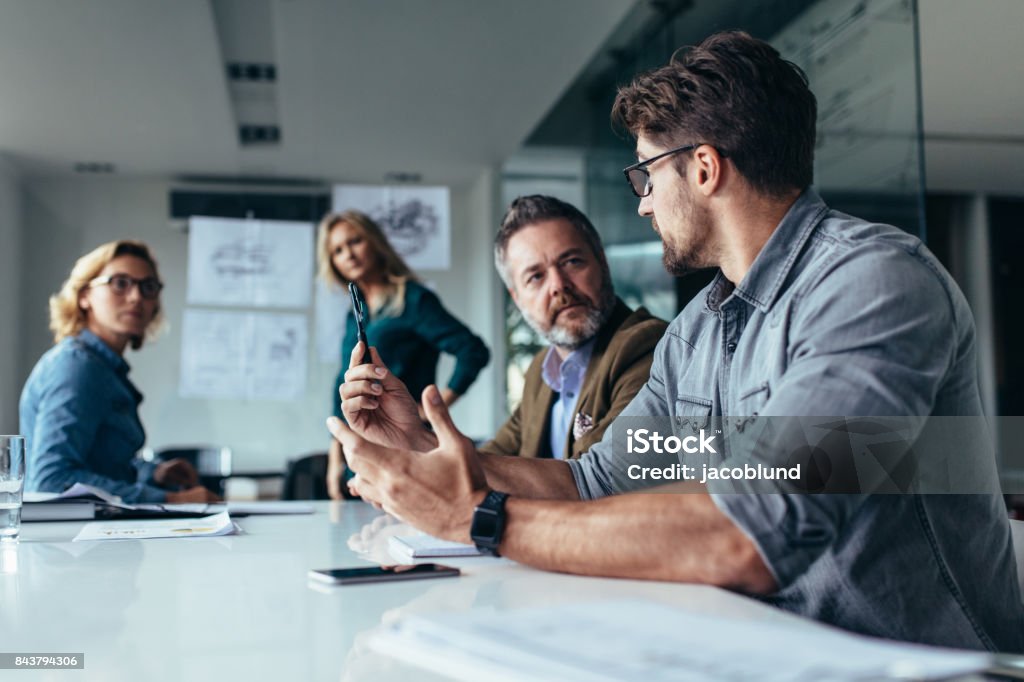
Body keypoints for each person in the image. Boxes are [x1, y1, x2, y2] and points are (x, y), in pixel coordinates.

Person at [328, 31, 1024, 652]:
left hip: (929, 666)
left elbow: (752, 533)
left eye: (645, 173)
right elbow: (591, 482)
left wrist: (481, 519)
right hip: (775, 650)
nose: (642, 201)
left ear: (703, 168)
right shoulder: (698, 329)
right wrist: (421, 444)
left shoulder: (872, 284)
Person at [20, 240, 220, 503]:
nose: (136, 297)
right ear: (84, 296)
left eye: (148, 287)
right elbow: (52, 481)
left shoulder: (104, 368)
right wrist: (169, 500)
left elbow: (100, 466)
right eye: (119, 283)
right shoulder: (77, 366)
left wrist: (154, 473)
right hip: (73, 541)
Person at [318, 210, 490, 499]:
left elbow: (473, 350)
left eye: (355, 241)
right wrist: (335, 456)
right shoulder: (355, 314)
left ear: (374, 242)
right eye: (337, 250)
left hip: (402, 448)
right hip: (357, 455)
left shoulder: (414, 300)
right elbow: (344, 383)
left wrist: (433, 409)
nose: (348, 254)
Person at [478, 195, 666, 460]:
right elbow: (491, 461)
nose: (558, 285)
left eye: (572, 262)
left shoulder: (647, 346)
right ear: (517, 298)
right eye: (535, 276)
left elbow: (601, 476)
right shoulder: (541, 371)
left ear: (602, 262)